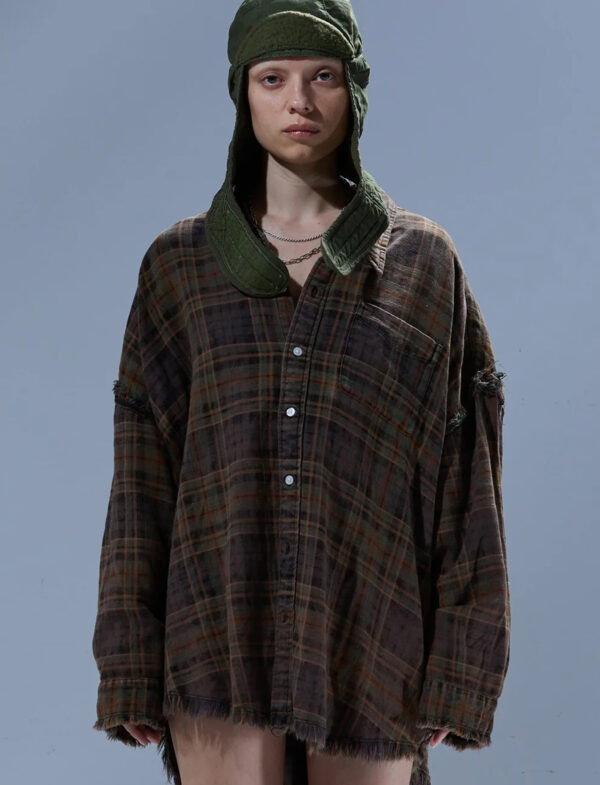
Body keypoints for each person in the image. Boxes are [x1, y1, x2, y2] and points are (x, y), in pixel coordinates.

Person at [91, 2, 511, 785]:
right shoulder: (179, 267)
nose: (299, 101)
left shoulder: (424, 265)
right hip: (216, 632)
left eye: (323, 76)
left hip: (373, 636)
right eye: (272, 77)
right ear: (241, 92)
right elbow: (142, 479)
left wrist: (464, 663)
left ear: (354, 88)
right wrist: (127, 659)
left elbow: (467, 476)